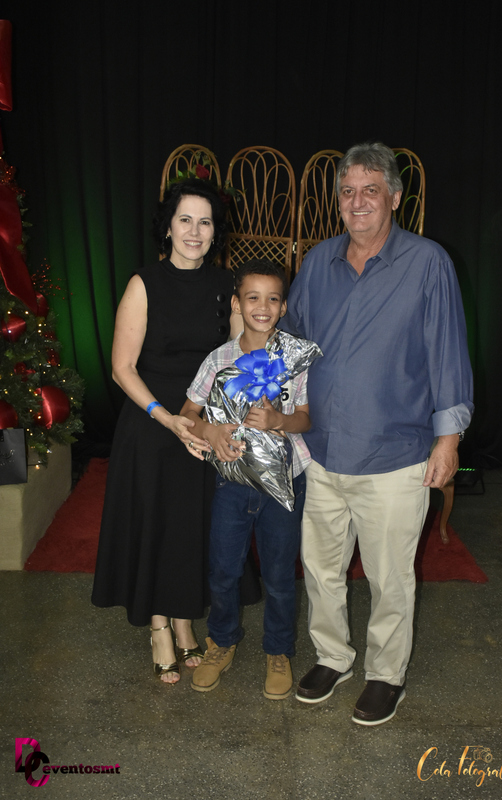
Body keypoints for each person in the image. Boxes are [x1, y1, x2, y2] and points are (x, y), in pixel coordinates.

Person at [279, 142, 474, 724]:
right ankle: (333, 657)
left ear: (394, 197)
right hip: (322, 452)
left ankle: (387, 675)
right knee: (321, 570)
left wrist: (448, 440)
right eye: (347, 191)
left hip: (395, 456)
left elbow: (448, 354)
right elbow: (290, 343)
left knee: (391, 579)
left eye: (370, 190)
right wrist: (242, 387)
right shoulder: (318, 262)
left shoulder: (428, 262)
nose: (358, 201)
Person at [91, 178, 235, 684]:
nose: (194, 231)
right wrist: (166, 416)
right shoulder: (144, 283)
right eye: (185, 219)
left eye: (205, 221)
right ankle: (159, 625)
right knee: (157, 522)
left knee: (191, 525)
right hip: (152, 420)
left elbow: (236, 363)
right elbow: (122, 368)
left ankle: (184, 617)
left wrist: (211, 421)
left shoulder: (226, 286)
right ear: (168, 227)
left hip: (202, 423)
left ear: (215, 231)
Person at [180, 259, 311, 699]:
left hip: (285, 481)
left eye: (273, 299)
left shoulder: (294, 357)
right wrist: (210, 431)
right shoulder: (219, 359)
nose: (263, 306)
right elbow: (188, 413)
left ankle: (279, 650)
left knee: (279, 574)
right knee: (223, 569)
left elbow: (306, 418)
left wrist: (279, 420)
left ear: (284, 306)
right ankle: (221, 641)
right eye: (252, 297)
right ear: (237, 303)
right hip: (233, 483)